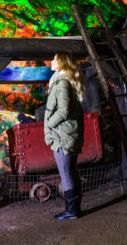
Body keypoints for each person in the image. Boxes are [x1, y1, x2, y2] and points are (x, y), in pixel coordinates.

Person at [44, 52, 85, 220]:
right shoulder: (65, 81)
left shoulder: (61, 83)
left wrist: (49, 123)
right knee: (71, 171)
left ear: (60, 62)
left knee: (65, 173)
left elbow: (64, 110)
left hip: (62, 134)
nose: (51, 61)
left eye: (54, 58)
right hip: (68, 133)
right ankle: (74, 209)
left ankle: (71, 210)